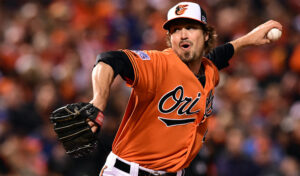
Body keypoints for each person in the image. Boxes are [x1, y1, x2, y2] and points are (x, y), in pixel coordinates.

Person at [88, 2, 282, 176]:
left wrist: (247, 39)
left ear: (206, 35)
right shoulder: (158, 64)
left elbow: (220, 55)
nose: (182, 34)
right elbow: (108, 60)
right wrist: (98, 101)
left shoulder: (209, 68)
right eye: (175, 29)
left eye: (190, 27)